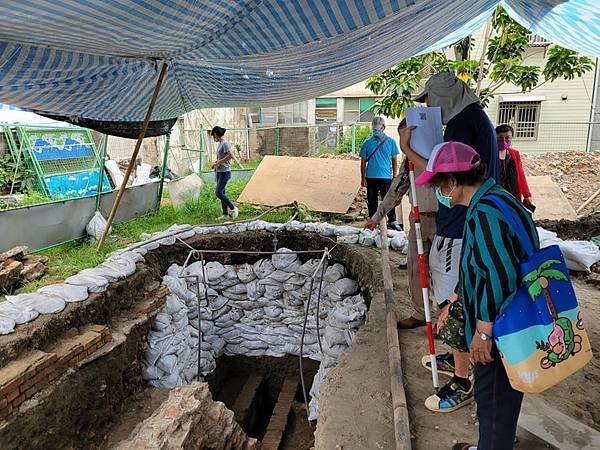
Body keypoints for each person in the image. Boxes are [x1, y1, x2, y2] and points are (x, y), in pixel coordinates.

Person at [414, 140, 539, 450]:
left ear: (455, 181)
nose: (439, 193)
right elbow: (482, 264)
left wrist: (483, 333)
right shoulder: (499, 199)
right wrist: (456, 297)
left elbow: (498, 277)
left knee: (493, 397)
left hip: (499, 328)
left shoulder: (484, 213)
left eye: (440, 185)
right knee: (502, 398)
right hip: (514, 318)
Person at [399, 72, 499, 413]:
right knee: (456, 300)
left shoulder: (459, 125)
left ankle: (462, 378)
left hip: (455, 231)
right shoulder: (477, 119)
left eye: (429, 99)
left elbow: (438, 176)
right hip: (458, 226)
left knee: (451, 307)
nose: (428, 107)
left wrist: (406, 148)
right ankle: (461, 354)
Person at [366, 120, 438, 328]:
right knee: (416, 268)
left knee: (443, 272)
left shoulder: (440, 155)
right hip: (419, 221)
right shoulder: (410, 164)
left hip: (445, 223)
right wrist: (377, 217)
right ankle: (420, 312)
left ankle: (445, 317)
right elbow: (396, 190)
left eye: (406, 136)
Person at [360, 116, 403, 231]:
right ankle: (372, 221)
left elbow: (394, 159)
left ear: (384, 128)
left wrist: (395, 175)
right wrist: (362, 178)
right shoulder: (367, 143)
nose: (376, 131)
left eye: (378, 129)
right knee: (372, 201)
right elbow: (363, 162)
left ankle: (392, 221)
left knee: (388, 200)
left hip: (386, 177)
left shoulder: (391, 142)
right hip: (371, 177)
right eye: (374, 130)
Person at [496, 124, 535, 212]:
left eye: (507, 138)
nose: (504, 141)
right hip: (495, 195)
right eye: (500, 138)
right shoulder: (491, 155)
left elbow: (520, 175)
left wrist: (527, 195)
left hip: (512, 194)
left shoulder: (514, 154)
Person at [210, 126, 238, 220]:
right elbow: (221, 158)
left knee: (218, 193)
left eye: (213, 136)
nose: (213, 138)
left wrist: (219, 162)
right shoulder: (220, 144)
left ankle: (233, 208)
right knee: (222, 192)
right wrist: (216, 164)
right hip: (219, 171)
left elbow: (230, 156)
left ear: (215, 134)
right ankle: (225, 214)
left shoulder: (225, 143)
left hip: (225, 172)